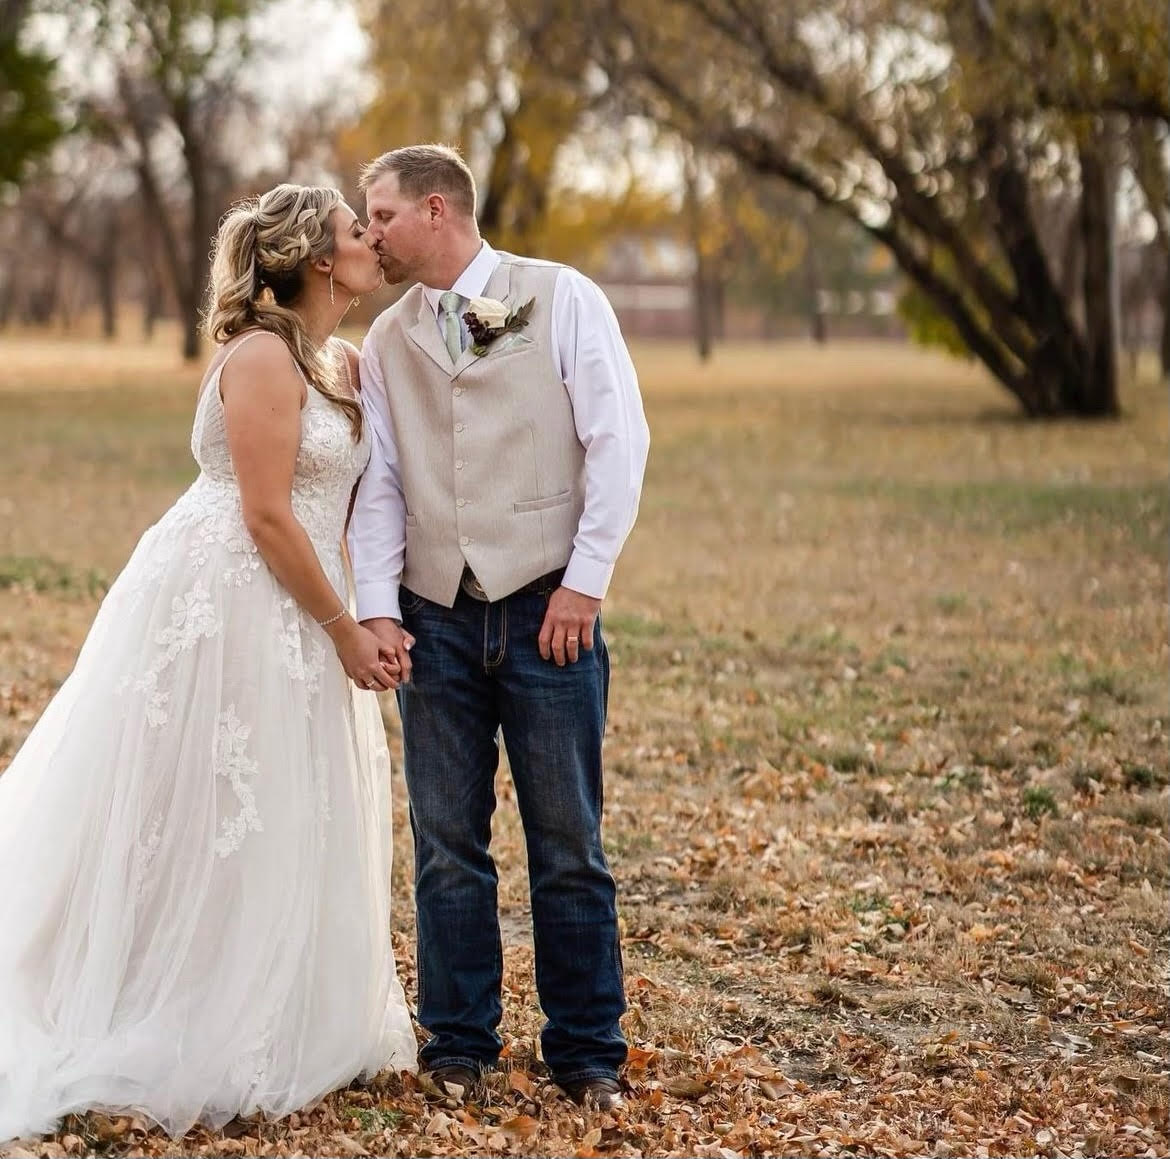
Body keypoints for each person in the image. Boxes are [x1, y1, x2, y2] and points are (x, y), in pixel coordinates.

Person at [0, 184, 415, 1143]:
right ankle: (174, 996)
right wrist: (342, 627)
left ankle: (277, 991)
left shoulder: (341, 359)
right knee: (209, 797)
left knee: (279, 796)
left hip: (304, 598)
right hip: (234, 597)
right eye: (358, 231)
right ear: (318, 258)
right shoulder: (266, 357)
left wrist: (374, 607)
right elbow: (266, 511)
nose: (370, 242)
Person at [349, 144, 651, 1112]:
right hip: (435, 616)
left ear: (437, 210)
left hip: (547, 610)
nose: (369, 233)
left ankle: (588, 1052)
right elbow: (383, 483)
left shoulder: (562, 298)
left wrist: (586, 584)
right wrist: (380, 606)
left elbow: (618, 440)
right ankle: (460, 1044)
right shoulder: (387, 342)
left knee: (567, 839)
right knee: (446, 840)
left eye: (381, 213)